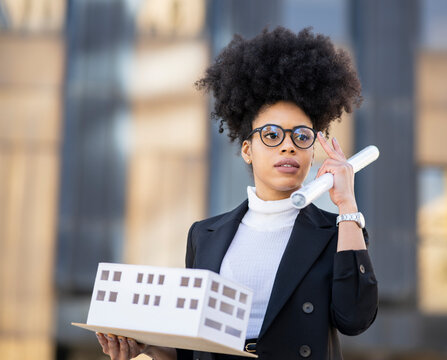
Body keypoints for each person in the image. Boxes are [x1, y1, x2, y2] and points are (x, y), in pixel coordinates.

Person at [97, 26, 378, 360]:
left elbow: (355, 318)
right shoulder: (205, 235)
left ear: (311, 150)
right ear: (248, 149)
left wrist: (347, 204)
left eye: (301, 136)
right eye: (272, 135)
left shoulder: (338, 232)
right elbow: (194, 347)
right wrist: (144, 345)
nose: (288, 146)